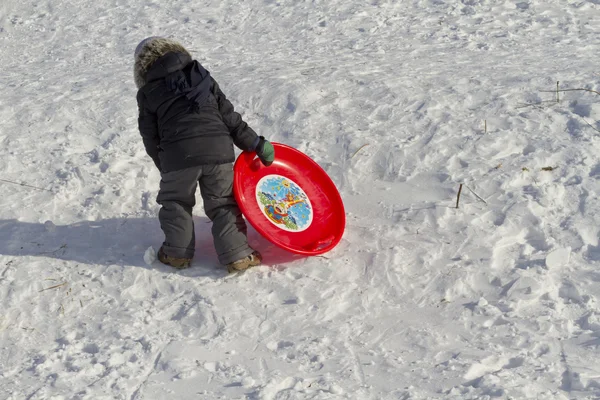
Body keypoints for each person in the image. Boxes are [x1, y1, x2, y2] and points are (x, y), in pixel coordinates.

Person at [133, 37, 275, 273]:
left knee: (176, 203)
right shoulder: (201, 77)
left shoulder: (148, 93)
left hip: (177, 156)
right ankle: (237, 255)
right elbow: (230, 117)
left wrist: (164, 164)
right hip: (217, 151)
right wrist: (256, 144)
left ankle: (176, 255)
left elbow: (150, 136)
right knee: (223, 204)